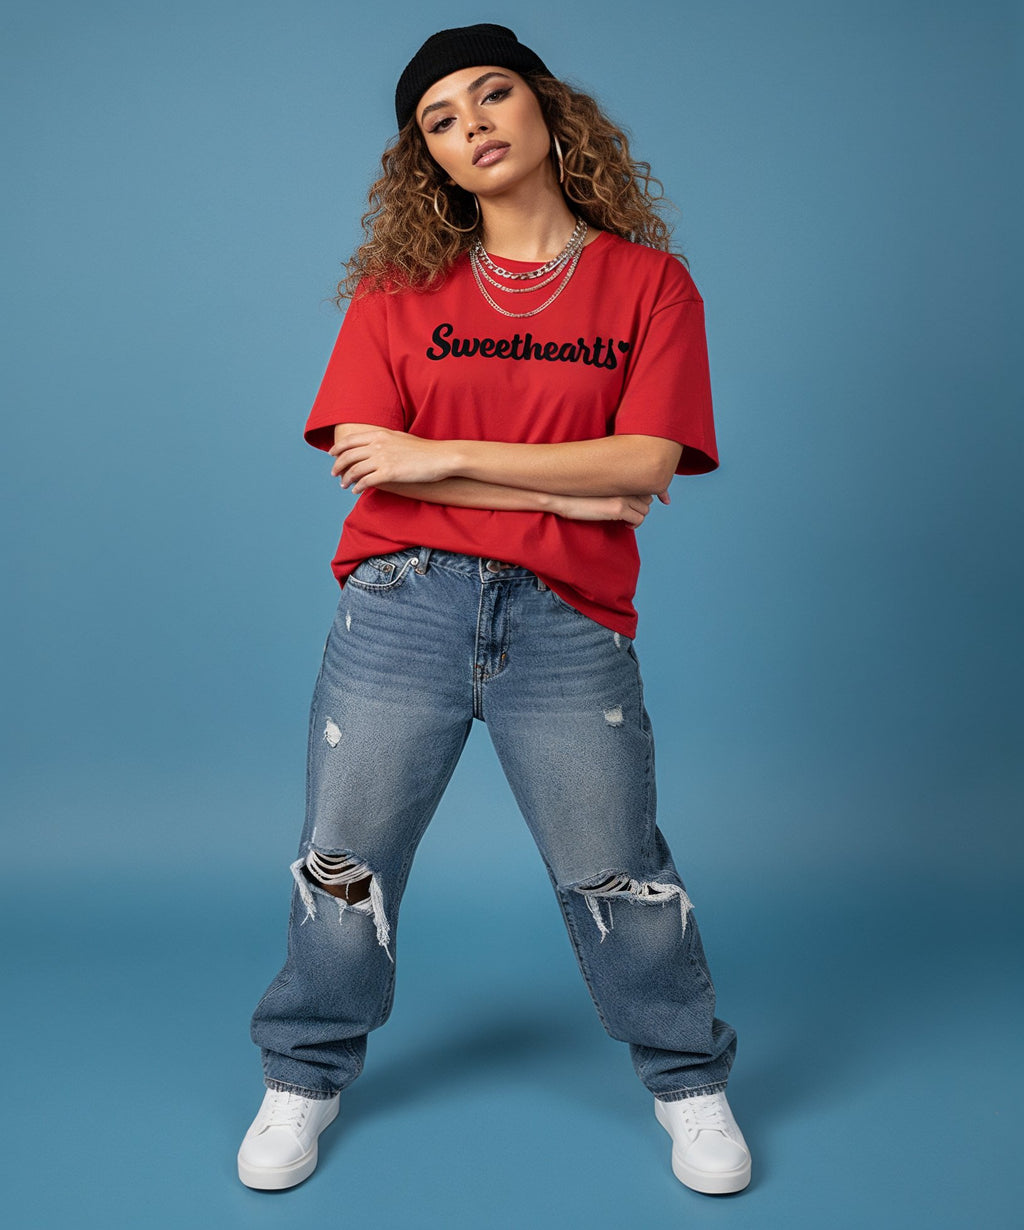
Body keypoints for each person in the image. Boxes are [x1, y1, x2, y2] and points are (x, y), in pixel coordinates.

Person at [238, 22, 751, 1197]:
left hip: (567, 619)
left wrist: (441, 457)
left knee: (617, 865)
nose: (470, 124)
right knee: (343, 859)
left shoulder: (650, 285)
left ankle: (687, 1080)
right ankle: (302, 1074)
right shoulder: (395, 291)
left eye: (491, 95)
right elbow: (369, 463)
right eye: (439, 118)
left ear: (545, 108)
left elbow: (643, 466)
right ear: (425, 156)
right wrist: (562, 484)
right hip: (401, 605)